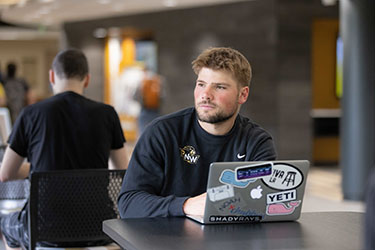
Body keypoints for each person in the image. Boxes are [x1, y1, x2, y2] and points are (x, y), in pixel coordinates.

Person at [118, 47, 277, 218]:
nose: (205, 95)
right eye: (201, 84)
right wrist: (185, 205)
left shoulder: (257, 142)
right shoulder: (161, 133)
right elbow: (129, 203)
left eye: (220, 87)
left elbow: (262, 205)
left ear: (243, 95)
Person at [0, 48, 128, 250]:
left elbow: (6, 174)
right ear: (87, 79)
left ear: (51, 76)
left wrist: (37, 170)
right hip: (98, 226)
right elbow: (121, 170)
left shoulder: (31, 114)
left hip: (43, 228)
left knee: (6, 224)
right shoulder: (107, 113)